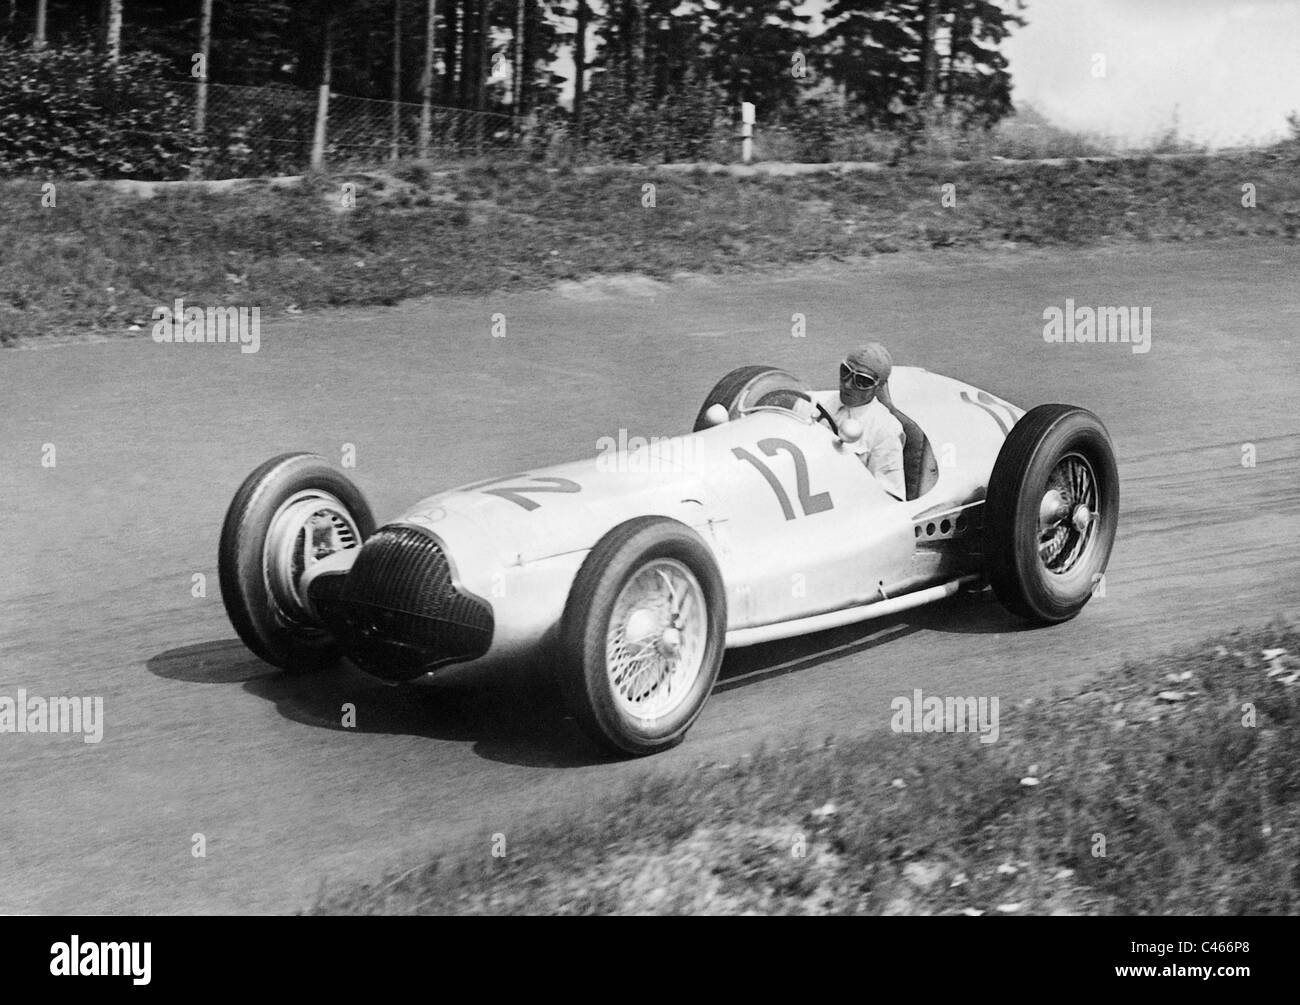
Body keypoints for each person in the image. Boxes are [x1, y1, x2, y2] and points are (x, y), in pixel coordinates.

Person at [813, 342, 906, 500]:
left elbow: (890, 499)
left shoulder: (885, 430)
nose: (848, 384)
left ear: (878, 387)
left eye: (862, 381)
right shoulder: (820, 404)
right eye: (845, 372)